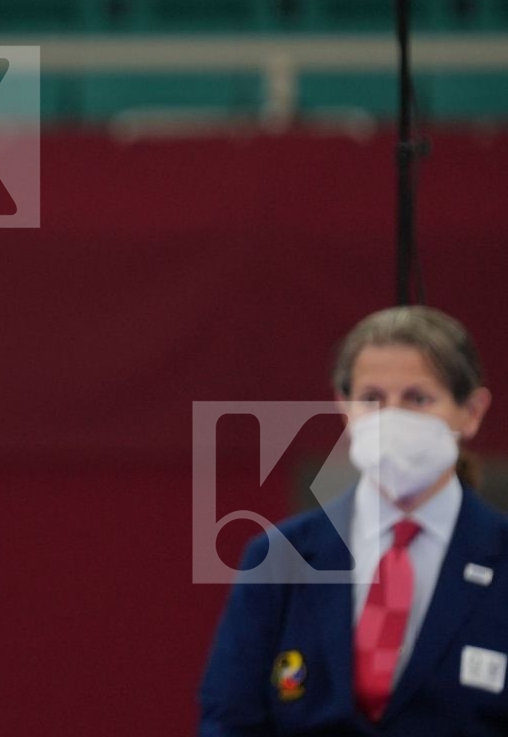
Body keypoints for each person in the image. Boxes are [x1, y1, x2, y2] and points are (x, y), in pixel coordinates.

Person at [199, 305, 507, 736]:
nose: (392, 417)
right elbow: (229, 719)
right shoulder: (280, 557)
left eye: (418, 398)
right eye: (372, 399)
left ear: (471, 411)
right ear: (343, 407)